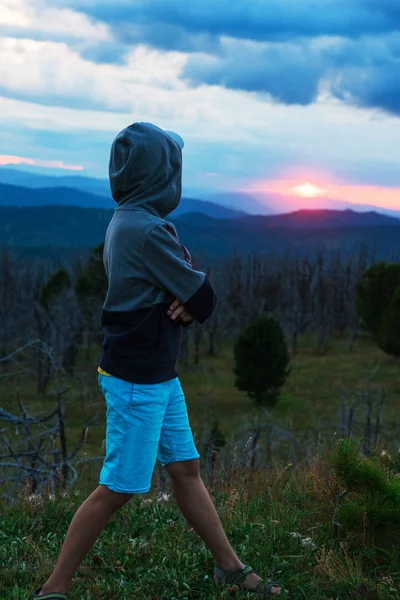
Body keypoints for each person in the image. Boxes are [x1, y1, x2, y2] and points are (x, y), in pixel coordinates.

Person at [32, 122, 283, 599]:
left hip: (156, 376)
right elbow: (203, 294)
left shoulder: (127, 219)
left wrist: (184, 301)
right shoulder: (146, 229)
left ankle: (228, 568)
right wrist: (191, 300)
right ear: (160, 173)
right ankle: (53, 589)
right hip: (137, 381)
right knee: (120, 486)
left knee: (185, 469)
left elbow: (183, 294)